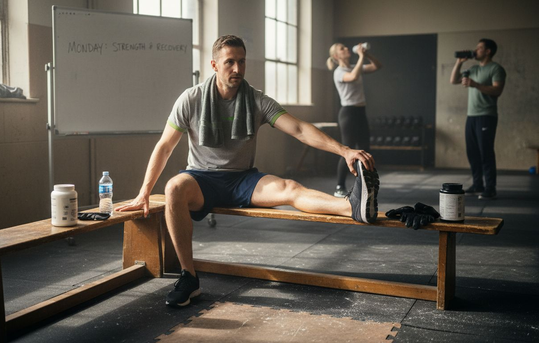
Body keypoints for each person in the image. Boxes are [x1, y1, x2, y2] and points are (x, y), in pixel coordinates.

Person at [116, 35, 379, 308]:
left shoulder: (256, 100)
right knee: (173, 188)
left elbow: (299, 129)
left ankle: (353, 207)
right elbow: (165, 146)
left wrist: (345, 150)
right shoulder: (191, 99)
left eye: (241, 62)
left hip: (243, 178)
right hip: (201, 177)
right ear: (215, 65)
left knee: (289, 187)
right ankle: (188, 276)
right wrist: (144, 192)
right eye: (229, 62)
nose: (237, 69)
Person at [450, 38, 506, 199]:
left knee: (486, 152)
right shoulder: (473, 68)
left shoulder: (496, 69)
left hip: (486, 116)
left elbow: (497, 90)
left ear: (488, 51)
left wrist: (476, 85)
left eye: (480, 48)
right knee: (472, 152)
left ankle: (490, 188)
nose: (476, 50)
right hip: (471, 116)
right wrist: (459, 62)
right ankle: (477, 184)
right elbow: (453, 80)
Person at [327, 43, 382, 197]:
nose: (346, 49)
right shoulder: (339, 72)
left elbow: (377, 66)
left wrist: (366, 55)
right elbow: (353, 76)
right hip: (348, 113)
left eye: (346, 47)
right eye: (342, 49)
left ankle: (365, 185)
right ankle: (339, 186)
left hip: (360, 112)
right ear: (336, 56)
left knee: (365, 149)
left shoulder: (353, 66)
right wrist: (361, 57)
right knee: (348, 150)